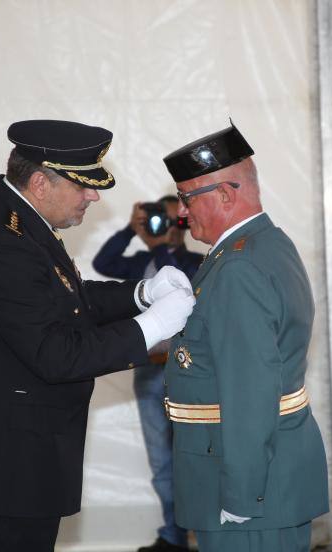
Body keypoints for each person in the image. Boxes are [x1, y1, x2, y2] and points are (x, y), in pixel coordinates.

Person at [0, 120, 195, 551]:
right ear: (40, 183)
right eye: (83, 186)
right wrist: (153, 327)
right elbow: (56, 354)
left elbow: (64, 297)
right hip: (5, 464)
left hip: (21, 454)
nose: (93, 195)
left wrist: (140, 293)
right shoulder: (1, 240)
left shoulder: (18, 221)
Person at [160, 123, 329, 552]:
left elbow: (250, 389)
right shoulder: (266, 245)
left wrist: (241, 494)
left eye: (187, 197)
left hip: (249, 489)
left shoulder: (238, 270)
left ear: (224, 195)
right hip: (266, 475)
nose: (182, 212)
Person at [92, 197, 203, 552]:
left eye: (173, 222)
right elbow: (102, 262)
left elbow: (179, 285)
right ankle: (173, 536)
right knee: (161, 462)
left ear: (183, 225)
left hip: (187, 373)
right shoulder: (143, 261)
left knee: (192, 458)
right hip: (149, 372)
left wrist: (161, 247)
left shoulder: (196, 262)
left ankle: (196, 533)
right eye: (160, 221)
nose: (166, 228)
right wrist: (131, 228)